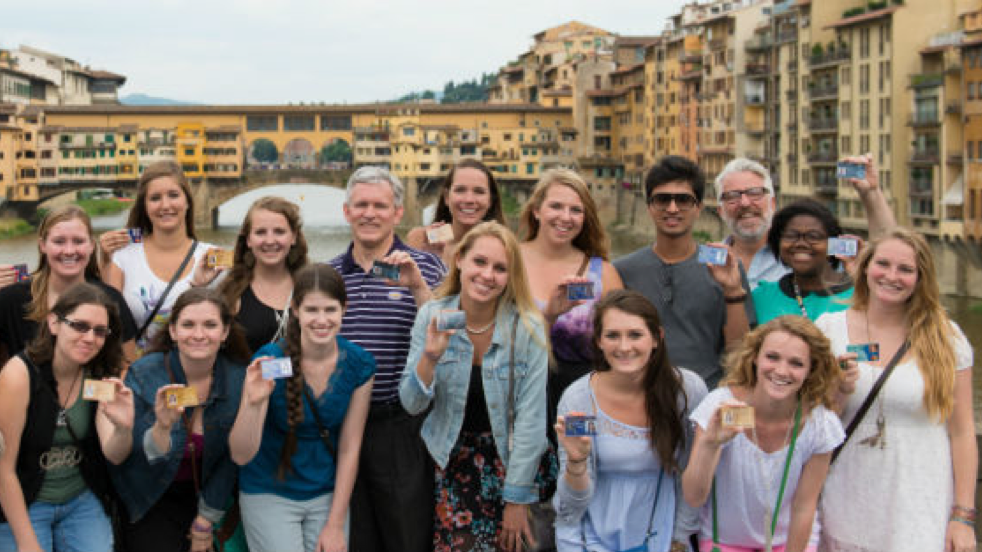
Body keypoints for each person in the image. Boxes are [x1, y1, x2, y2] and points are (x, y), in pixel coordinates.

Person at [815, 228, 977, 552]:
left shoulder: (947, 337)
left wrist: (963, 516)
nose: (892, 276)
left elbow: (962, 432)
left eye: (906, 269)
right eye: (883, 264)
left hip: (920, 501)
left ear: (921, 278)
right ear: (865, 267)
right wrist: (837, 393)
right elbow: (812, 422)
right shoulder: (829, 329)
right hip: (846, 496)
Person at [400, 221, 549, 552]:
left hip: (511, 463)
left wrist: (516, 498)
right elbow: (411, 404)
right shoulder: (433, 315)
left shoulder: (526, 326)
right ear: (460, 260)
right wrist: (430, 357)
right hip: (450, 461)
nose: (487, 275)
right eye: (480, 262)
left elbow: (531, 419)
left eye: (500, 268)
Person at [327, 166, 445, 552]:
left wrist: (417, 288)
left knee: (405, 536)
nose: (369, 213)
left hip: (400, 428)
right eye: (361, 205)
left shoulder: (427, 268)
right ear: (346, 212)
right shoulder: (328, 275)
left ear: (398, 213)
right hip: (339, 427)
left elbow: (447, 337)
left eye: (381, 205)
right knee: (351, 537)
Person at [229, 264, 374, 552]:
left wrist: (334, 525)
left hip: (325, 492)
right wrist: (253, 402)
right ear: (295, 310)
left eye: (330, 310)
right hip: (268, 490)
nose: (321, 320)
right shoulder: (270, 361)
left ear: (344, 309)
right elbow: (240, 454)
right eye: (312, 310)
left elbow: (349, 447)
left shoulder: (360, 364)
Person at [553, 289, 707, 552]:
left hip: (661, 535)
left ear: (657, 338)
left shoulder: (687, 390)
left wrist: (679, 538)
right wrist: (577, 462)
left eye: (635, 334)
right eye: (613, 335)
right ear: (599, 341)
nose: (624, 347)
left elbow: (690, 474)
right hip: (593, 540)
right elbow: (571, 508)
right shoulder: (578, 398)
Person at [682, 316, 845, 552]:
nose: (781, 371)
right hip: (725, 542)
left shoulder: (819, 424)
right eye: (772, 357)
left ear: (811, 370)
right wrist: (709, 444)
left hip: (788, 542)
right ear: (755, 357)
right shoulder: (723, 407)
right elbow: (693, 497)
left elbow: (804, 506)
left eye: (796, 363)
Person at [109, 287, 250, 552]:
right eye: (188, 325)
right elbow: (143, 457)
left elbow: (231, 460)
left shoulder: (238, 378)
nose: (199, 335)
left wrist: (205, 521)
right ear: (173, 331)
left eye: (210, 325)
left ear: (225, 332)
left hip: (211, 493)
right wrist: (162, 426)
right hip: (151, 494)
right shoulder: (144, 373)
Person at [0, 282, 134, 552]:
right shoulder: (19, 375)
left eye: (99, 331)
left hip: (80, 498)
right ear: (53, 323)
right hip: (27, 500)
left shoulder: (100, 373)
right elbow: (4, 469)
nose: (89, 338)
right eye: (79, 326)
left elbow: (115, 454)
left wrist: (122, 428)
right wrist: (27, 542)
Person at [615, 156, 749, 387]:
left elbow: (741, 351)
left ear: (698, 208)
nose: (672, 208)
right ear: (649, 207)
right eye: (662, 199)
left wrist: (733, 290)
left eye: (683, 200)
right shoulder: (622, 270)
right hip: (640, 397)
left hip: (706, 399)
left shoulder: (723, 266)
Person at [518, 168, 623, 427]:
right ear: (536, 210)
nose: (565, 217)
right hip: (514, 400)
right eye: (556, 206)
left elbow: (620, 345)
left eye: (576, 210)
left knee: (576, 466)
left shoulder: (603, 274)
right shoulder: (507, 263)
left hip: (581, 406)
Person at [716, 155, 893, 291]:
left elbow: (888, 253)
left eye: (755, 193)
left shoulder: (815, 247)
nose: (745, 203)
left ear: (772, 203)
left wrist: (871, 194)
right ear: (720, 211)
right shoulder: (709, 259)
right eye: (732, 196)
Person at [0, 205, 137, 365]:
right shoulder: (10, 299)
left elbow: (126, 365)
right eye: (59, 241)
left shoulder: (111, 299)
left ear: (92, 246)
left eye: (78, 241)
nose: (69, 251)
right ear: (42, 245)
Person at [100, 161, 214, 351]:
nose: (165, 205)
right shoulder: (122, 256)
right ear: (144, 206)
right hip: (137, 373)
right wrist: (103, 260)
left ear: (187, 201)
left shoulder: (211, 257)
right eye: (155, 198)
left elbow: (229, 319)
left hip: (192, 372)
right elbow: (111, 321)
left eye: (173, 195)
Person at [192, 196, 309, 353]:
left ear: (293, 237)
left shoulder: (311, 286)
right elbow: (196, 341)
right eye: (260, 232)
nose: (270, 240)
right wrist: (197, 287)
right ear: (248, 239)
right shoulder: (231, 293)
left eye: (279, 232)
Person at [752, 200, 855, 324]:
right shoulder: (761, 297)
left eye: (813, 236)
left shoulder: (861, 294)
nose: (801, 243)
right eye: (791, 235)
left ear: (833, 244)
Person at [405, 159, 505, 266]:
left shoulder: (503, 247)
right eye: (460, 190)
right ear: (447, 197)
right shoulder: (424, 239)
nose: (469, 199)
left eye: (479, 191)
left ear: (490, 200)